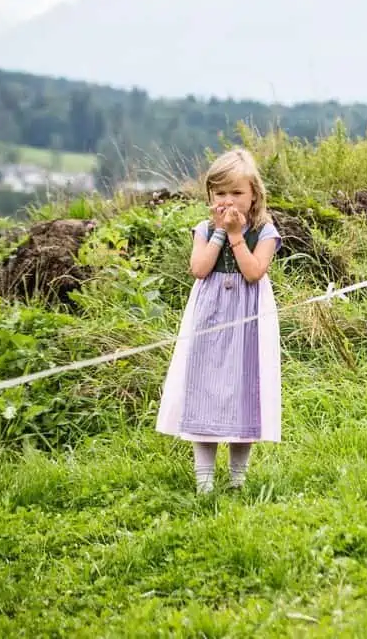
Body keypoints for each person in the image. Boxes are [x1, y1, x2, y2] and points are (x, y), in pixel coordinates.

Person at [155, 148, 283, 493]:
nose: (229, 201)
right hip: (210, 316)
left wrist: (238, 236)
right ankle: (204, 482)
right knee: (205, 388)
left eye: (237, 193)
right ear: (210, 196)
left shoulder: (265, 232)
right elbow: (199, 269)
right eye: (221, 193)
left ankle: (238, 480)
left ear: (254, 194)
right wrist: (219, 233)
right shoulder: (203, 229)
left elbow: (254, 272)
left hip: (248, 318)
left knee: (244, 389)